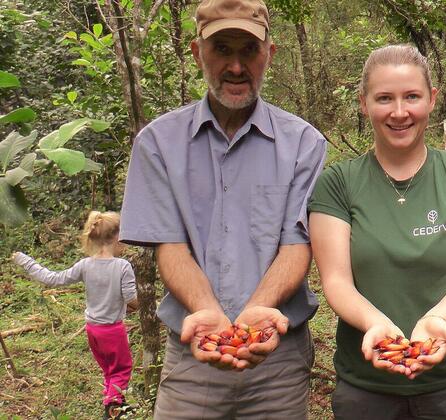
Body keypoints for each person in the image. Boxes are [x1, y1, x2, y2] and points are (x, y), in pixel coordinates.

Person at [118, 0, 326, 417]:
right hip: (192, 355)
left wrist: (254, 319)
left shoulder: (304, 143)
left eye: (248, 50)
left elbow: (296, 245)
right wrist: (209, 314)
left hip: (279, 361)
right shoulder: (159, 143)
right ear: (197, 53)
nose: (235, 66)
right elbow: (171, 248)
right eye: (221, 50)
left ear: (270, 53)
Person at [309, 44, 446, 420]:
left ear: (432, 99)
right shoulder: (338, 183)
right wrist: (376, 324)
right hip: (367, 387)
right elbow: (336, 282)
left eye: (412, 96)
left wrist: (435, 322)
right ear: (364, 104)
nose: (399, 112)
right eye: (384, 98)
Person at [12, 211, 137, 420]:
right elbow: (131, 298)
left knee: (109, 369)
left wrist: (25, 261)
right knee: (122, 369)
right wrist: (152, 305)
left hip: (93, 330)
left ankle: (113, 400)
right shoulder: (122, 266)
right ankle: (114, 411)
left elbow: (53, 278)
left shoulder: (85, 265)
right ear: (116, 237)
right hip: (112, 331)